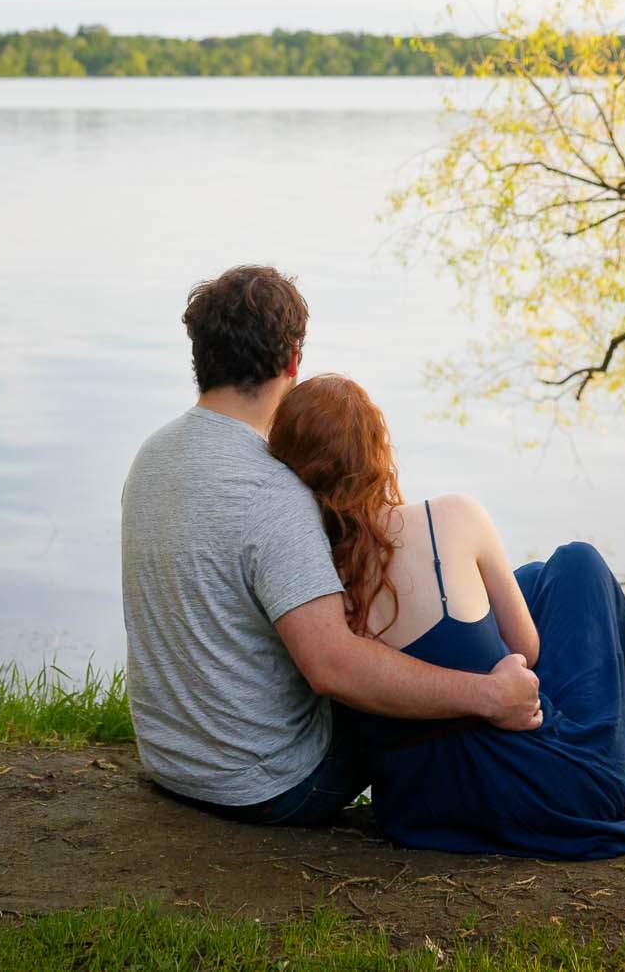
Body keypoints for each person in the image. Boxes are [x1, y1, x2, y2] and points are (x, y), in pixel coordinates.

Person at [119, 265, 543, 827]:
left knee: (499, 593)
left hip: (174, 762)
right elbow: (332, 668)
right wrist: (489, 696)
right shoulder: (275, 493)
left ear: (200, 357)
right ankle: (531, 772)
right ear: (294, 360)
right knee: (456, 635)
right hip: (273, 784)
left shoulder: (151, 456)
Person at [267, 371, 625, 858]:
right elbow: (527, 650)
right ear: (378, 453)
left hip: (418, 808)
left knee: (531, 576)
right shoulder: (454, 516)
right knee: (575, 563)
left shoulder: (303, 583)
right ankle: (621, 764)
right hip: (551, 794)